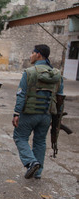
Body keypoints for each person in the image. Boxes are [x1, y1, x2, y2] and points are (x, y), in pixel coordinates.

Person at [12, 44, 64, 179]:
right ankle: (38, 172)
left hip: (29, 113)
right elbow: (60, 98)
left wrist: (16, 113)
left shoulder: (29, 72)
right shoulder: (57, 74)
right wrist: (57, 119)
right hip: (46, 115)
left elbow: (21, 94)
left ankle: (31, 162)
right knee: (40, 142)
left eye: (32, 53)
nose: (30, 55)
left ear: (38, 54)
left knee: (20, 137)